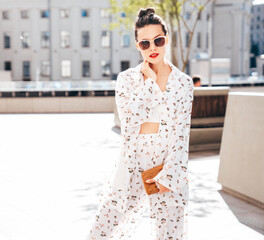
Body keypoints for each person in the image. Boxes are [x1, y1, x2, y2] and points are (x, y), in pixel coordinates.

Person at [85, 7, 194, 240]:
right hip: (132, 165)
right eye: (145, 43)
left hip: (168, 167)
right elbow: (130, 121)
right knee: (103, 230)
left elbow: (181, 134)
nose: (152, 47)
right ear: (137, 45)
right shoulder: (127, 80)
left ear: (166, 39)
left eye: (158, 40)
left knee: (169, 235)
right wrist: (151, 83)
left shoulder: (184, 83)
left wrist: (170, 175)